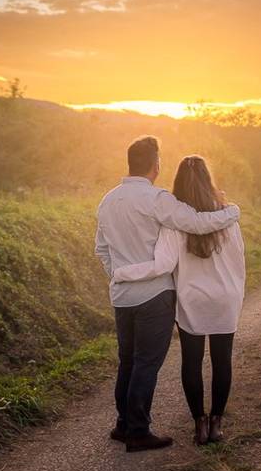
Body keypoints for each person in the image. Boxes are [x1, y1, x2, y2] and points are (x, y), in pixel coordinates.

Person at [95, 137, 240, 453]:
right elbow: (197, 223)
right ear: (155, 164)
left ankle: (124, 424)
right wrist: (232, 213)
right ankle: (138, 430)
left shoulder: (108, 200)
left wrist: (118, 274)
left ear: (130, 162)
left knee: (128, 362)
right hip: (154, 294)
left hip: (122, 296)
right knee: (147, 363)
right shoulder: (157, 200)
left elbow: (101, 248)